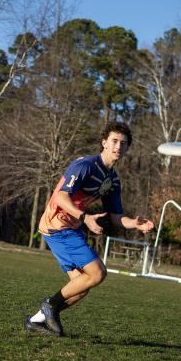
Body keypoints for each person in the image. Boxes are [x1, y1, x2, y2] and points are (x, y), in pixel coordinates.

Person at [25, 122, 154, 336]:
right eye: (114, 141)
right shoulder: (85, 166)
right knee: (97, 273)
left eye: (123, 143)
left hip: (71, 227)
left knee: (81, 286)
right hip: (56, 226)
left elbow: (116, 216)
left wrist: (134, 224)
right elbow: (60, 196)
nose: (118, 147)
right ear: (104, 143)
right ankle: (49, 304)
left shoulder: (112, 180)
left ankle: (36, 320)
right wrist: (85, 217)